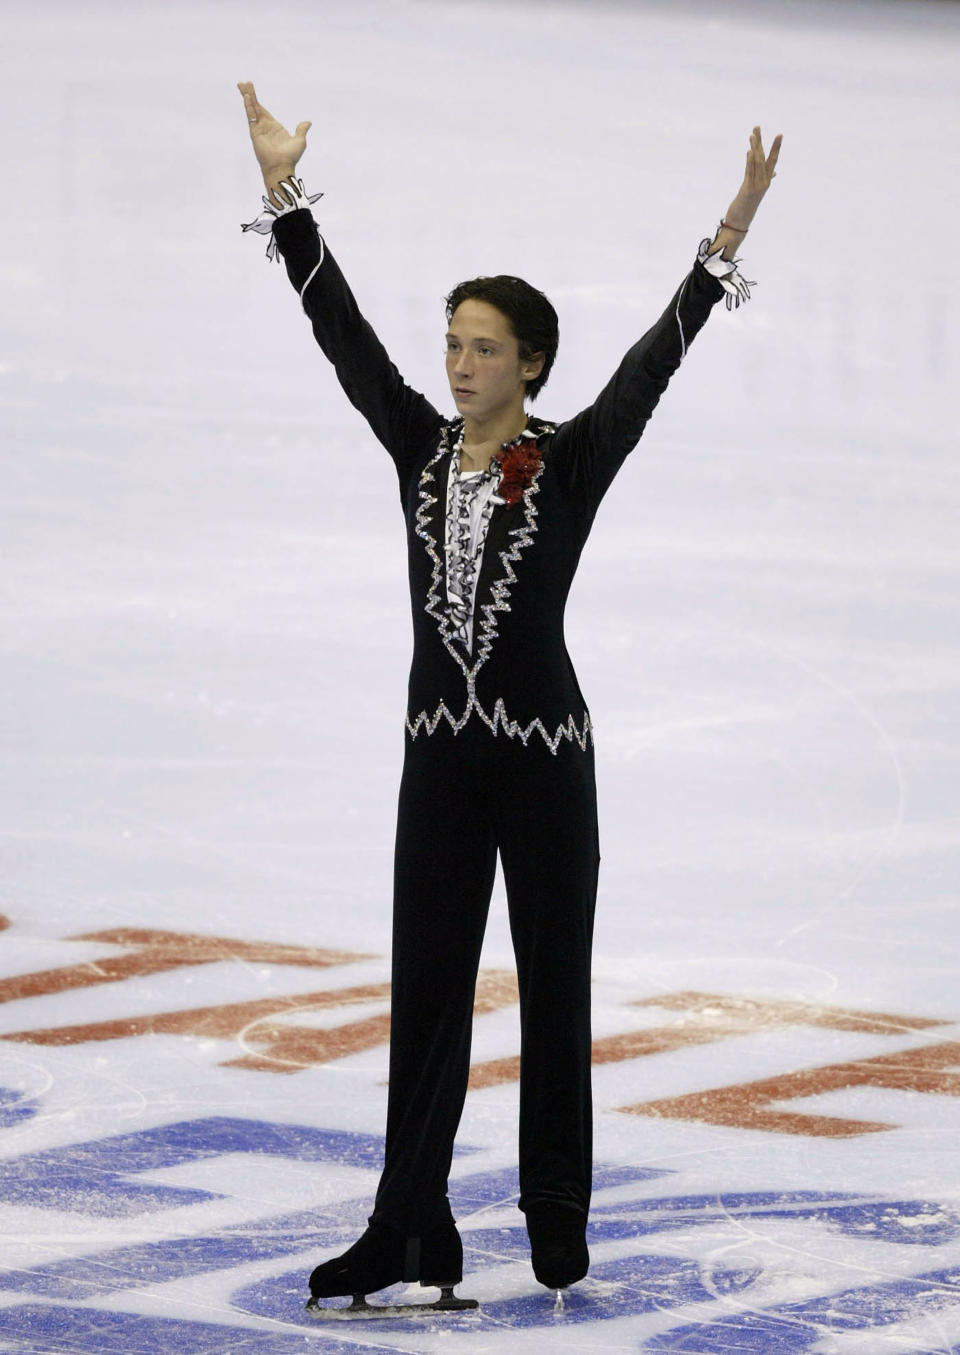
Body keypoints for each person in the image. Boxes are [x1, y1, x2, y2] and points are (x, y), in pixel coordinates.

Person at [237, 80, 781, 1313]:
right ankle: (409, 1225)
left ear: (528, 363)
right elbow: (346, 340)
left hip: (545, 762)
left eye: (483, 348)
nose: (459, 363)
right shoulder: (417, 446)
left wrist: (727, 236)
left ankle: (556, 1210)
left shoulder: (575, 456)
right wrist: (284, 198)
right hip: (438, 755)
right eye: (454, 345)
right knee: (426, 988)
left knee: (554, 975)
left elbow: (656, 361)